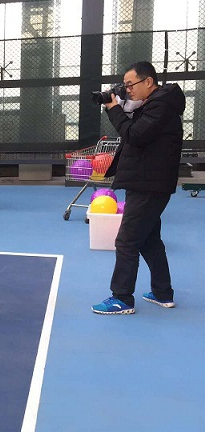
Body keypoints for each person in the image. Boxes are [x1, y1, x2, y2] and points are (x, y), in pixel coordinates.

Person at [91, 61, 186, 315]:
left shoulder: (160, 106)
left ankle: (121, 298)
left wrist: (114, 109)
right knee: (149, 240)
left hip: (148, 185)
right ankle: (162, 292)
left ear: (148, 82)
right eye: (125, 85)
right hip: (149, 182)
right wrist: (121, 105)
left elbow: (134, 135)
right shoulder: (154, 105)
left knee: (127, 241)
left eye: (131, 84)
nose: (128, 90)